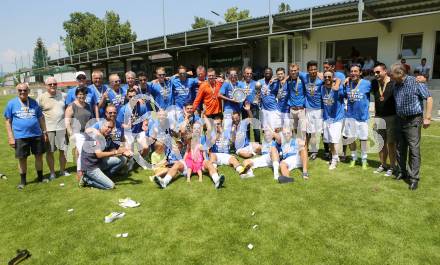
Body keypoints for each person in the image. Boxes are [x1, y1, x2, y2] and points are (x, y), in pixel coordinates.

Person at [391, 63, 433, 190]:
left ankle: (414, 178)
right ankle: (402, 172)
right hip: (400, 120)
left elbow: (429, 98)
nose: (390, 76)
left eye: (392, 74)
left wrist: (428, 117)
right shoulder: (395, 85)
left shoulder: (416, 82)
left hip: (413, 120)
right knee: (400, 148)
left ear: (400, 74)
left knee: (414, 150)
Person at [4, 83, 48, 189]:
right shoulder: (11, 104)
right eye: (20, 90)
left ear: (28, 91)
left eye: (25, 90)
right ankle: (23, 182)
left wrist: (44, 132)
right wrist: (10, 137)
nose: (22, 92)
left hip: (36, 135)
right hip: (20, 136)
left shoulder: (34, 103)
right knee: (22, 159)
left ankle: (40, 178)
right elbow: (8, 121)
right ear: (17, 91)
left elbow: (40, 118)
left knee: (39, 157)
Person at [80, 119, 131, 189]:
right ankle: (87, 179)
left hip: (99, 162)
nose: (109, 129)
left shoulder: (108, 136)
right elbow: (99, 154)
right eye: (108, 127)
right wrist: (116, 152)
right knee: (111, 186)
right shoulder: (95, 136)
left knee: (122, 159)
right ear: (101, 126)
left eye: (111, 128)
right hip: (90, 167)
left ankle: (103, 177)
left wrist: (123, 152)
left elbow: (112, 150)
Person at [37, 77, 69, 180]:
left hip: (62, 128)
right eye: (50, 84)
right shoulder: (41, 98)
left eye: (54, 84)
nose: (52, 86)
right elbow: (37, 114)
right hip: (49, 129)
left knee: (63, 151)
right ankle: (52, 173)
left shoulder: (63, 95)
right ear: (46, 86)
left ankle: (62, 171)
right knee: (50, 152)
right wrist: (43, 130)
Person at [343, 64, 372, 169]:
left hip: (363, 117)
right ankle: (354, 158)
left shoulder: (367, 83)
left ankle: (364, 159)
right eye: (351, 71)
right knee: (351, 139)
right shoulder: (347, 83)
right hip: (350, 116)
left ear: (360, 73)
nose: (353, 73)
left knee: (363, 140)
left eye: (356, 71)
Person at [371, 63, 397, 176]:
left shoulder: (393, 83)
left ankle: (392, 166)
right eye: (374, 72)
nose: (376, 74)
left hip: (391, 117)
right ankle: (383, 164)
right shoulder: (374, 83)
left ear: (385, 71)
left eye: (378, 72)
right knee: (381, 143)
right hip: (379, 117)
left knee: (391, 143)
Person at [65, 87, 94, 180]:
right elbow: (67, 121)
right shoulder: (71, 106)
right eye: (80, 94)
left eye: (84, 94)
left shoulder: (88, 105)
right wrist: (71, 134)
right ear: (76, 95)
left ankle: (88, 170)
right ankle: (79, 172)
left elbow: (90, 120)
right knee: (82, 152)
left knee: (89, 152)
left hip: (88, 133)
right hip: (77, 133)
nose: (82, 96)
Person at [321, 70, 345, 170]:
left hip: (337, 118)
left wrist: (338, 81)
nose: (327, 78)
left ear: (333, 78)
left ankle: (334, 160)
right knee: (329, 140)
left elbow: (339, 93)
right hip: (327, 118)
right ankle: (334, 156)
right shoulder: (322, 88)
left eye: (329, 77)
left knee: (334, 140)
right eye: (325, 77)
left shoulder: (338, 88)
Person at [301, 61, 323, 160]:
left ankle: (315, 151)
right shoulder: (305, 76)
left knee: (316, 132)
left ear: (317, 70)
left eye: (315, 69)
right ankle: (309, 149)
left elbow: (334, 78)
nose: (313, 71)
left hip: (319, 109)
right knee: (309, 131)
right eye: (311, 69)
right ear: (308, 70)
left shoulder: (321, 79)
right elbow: (293, 72)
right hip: (309, 108)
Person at [219, 68, 244, 134]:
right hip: (228, 109)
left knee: (237, 128)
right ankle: (226, 143)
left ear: (237, 75)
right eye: (231, 74)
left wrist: (240, 99)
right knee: (227, 128)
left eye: (235, 74)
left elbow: (243, 95)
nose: (233, 76)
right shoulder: (226, 84)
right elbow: (219, 95)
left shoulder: (240, 84)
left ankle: (235, 143)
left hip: (237, 109)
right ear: (229, 75)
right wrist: (230, 99)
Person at [242, 66, 260, 143]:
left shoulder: (256, 83)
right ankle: (247, 143)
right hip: (244, 108)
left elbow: (258, 95)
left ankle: (258, 143)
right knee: (246, 127)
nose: (249, 75)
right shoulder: (240, 83)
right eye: (247, 73)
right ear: (244, 74)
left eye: (250, 73)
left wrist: (256, 100)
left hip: (254, 108)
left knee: (256, 127)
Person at [287, 64, 306, 138]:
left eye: (295, 70)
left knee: (303, 130)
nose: (293, 72)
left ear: (298, 70)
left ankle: (304, 147)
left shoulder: (302, 79)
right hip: (292, 109)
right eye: (291, 71)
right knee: (293, 130)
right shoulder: (288, 80)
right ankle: (295, 146)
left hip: (301, 109)